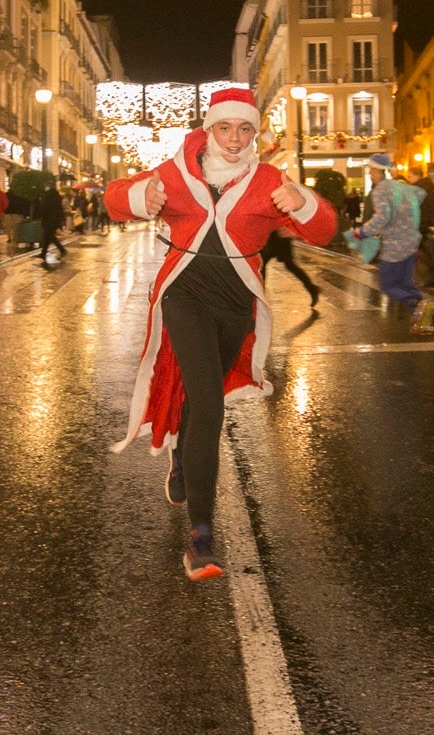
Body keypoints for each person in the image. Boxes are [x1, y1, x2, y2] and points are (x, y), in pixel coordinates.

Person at [104, 87, 336, 581]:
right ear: (209, 130)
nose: (234, 139)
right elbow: (113, 199)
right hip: (184, 296)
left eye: (245, 129)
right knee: (209, 401)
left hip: (236, 304)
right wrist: (140, 197)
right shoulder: (175, 173)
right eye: (225, 128)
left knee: (200, 396)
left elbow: (324, 231)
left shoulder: (269, 179)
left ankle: (183, 463)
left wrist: (302, 202)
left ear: (256, 133)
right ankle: (201, 537)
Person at [353, 153, 433, 335]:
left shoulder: (380, 190)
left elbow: (382, 216)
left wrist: (361, 232)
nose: (370, 174)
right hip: (412, 241)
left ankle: (420, 305)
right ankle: (422, 319)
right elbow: (420, 195)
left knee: (388, 285)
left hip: (395, 245)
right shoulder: (401, 187)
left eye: (371, 170)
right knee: (406, 283)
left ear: (376, 170)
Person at [260, 226, 320, 308]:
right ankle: (312, 288)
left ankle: (259, 297)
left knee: (287, 265)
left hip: (279, 236)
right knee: (263, 265)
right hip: (273, 235)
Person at [36, 184, 66, 266]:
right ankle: (44, 252)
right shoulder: (57, 197)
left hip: (47, 219)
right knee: (48, 235)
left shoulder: (46, 196)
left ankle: (60, 249)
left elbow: (43, 208)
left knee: (48, 235)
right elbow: (60, 209)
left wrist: (40, 215)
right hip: (55, 220)